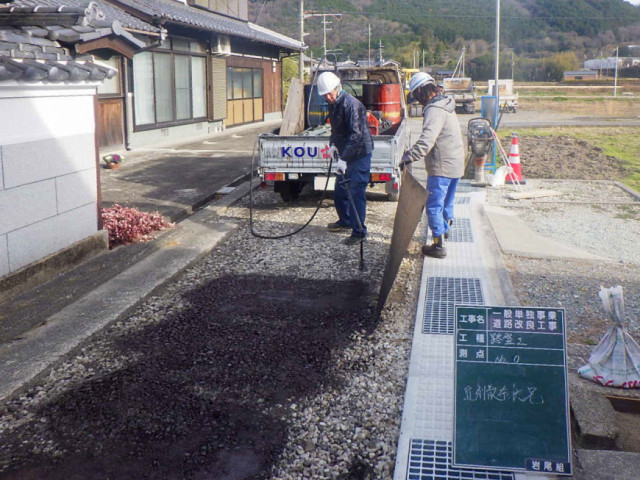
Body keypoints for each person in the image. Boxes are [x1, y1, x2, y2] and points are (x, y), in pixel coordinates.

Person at [400, 72, 464, 259]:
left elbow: (427, 140)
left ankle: (438, 245)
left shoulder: (434, 109)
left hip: (442, 166)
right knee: (447, 202)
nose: (417, 100)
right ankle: (445, 230)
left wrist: (408, 157)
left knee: (433, 206)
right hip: (456, 162)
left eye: (416, 95)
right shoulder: (446, 103)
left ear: (421, 91)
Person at [317, 71, 374, 245]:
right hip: (345, 152)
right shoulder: (333, 104)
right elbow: (335, 128)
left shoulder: (351, 105)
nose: (327, 97)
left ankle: (359, 231)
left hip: (359, 153)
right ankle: (346, 220)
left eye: (329, 93)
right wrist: (333, 144)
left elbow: (356, 135)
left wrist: (344, 159)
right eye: (324, 94)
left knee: (355, 192)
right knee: (341, 190)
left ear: (337, 87)